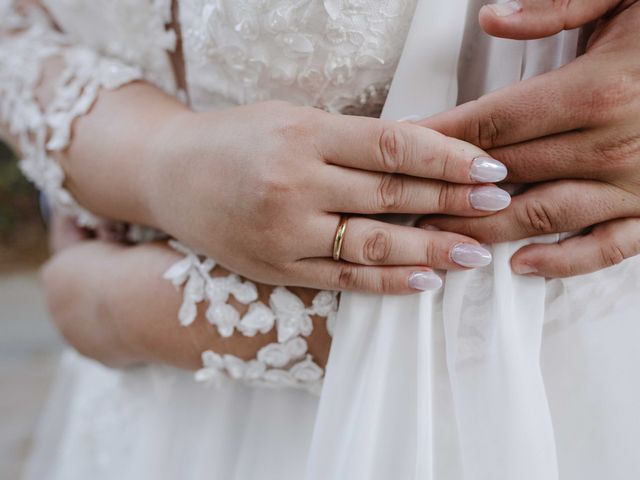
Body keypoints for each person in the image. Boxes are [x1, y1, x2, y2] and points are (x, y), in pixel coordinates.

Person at [1, 0, 639, 478]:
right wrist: (154, 161)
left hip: (444, 433)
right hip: (133, 419)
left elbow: (516, 285)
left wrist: (117, 311)